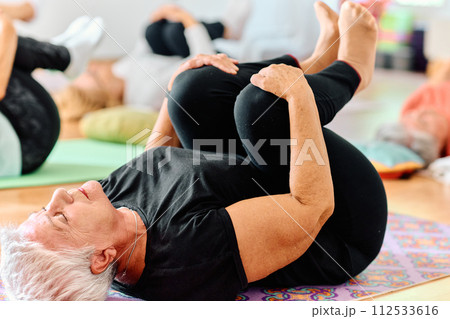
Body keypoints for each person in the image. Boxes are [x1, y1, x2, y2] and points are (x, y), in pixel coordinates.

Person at [0, 2, 387, 301]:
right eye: (61, 219)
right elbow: (310, 206)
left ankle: (316, 60)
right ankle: (353, 67)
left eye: (44, 210)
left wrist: (176, 82)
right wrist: (299, 98)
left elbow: (154, 165)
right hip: (337, 219)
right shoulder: (185, 255)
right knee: (260, 111)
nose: (58, 196)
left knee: (192, 89)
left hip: (263, 180)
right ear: (101, 258)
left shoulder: (104, 218)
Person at [54, 2, 251, 119]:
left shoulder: (122, 72)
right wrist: (189, 20)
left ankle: (226, 29)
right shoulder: (145, 95)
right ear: (109, 93)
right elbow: (203, 63)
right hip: (213, 60)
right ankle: (228, 29)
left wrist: (156, 17)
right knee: (175, 32)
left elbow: (143, 51)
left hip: (181, 54)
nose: (95, 66)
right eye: (94, 73)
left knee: (153, 31)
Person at [0, 13, 104, 177]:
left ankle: (61, 54)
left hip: (21, 144)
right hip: (27, 143)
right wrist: (7, 23)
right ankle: (61, 55)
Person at [376, 60, 450, 166]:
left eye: (411, 115)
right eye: (424, 122)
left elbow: (436, 82)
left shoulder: (410, 107)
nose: (421, 111)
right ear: (438, 145)